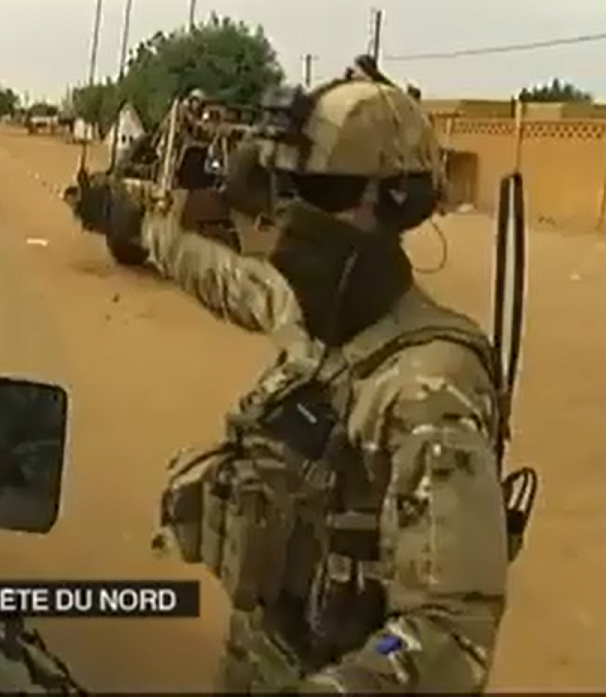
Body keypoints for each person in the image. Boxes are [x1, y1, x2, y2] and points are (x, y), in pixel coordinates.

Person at [143, 75, 510, 693]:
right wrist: (140, 228)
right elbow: (229, 280)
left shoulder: (428, 385)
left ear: (394, 201)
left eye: (322, 192)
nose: (293, 213)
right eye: (286, 189)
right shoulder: (312, 322)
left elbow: (447, 632)